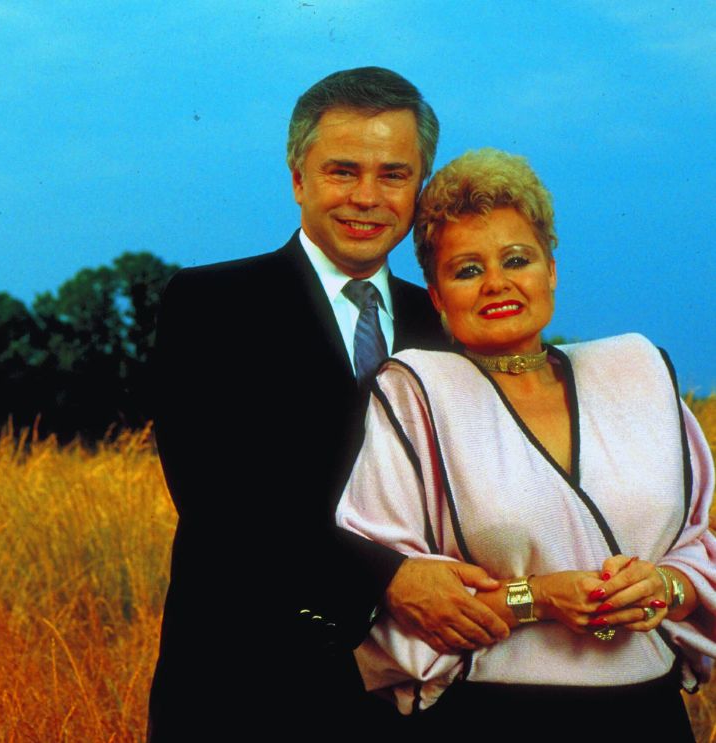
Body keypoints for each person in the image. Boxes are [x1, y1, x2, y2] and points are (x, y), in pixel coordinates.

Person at [147, 67, 512, 741]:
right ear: (298, 178)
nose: (366, 197)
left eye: (393, 174)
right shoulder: (210, 306)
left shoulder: (448, 328)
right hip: (245, 697)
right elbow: (219, 501)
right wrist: (388, 580)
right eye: (342, 170)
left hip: (421, 698)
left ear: (418, 186)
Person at [335, 148, 716, 738]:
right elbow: (401, 601)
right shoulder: (416, 391)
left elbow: (697, 549)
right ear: (436, 296)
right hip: (493, 717)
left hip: (652, 715)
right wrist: (538, 598)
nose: (497, 283)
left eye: (518, 259)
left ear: (551, 270)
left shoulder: (637, 370)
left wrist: (666, 585)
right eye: (466, 270)